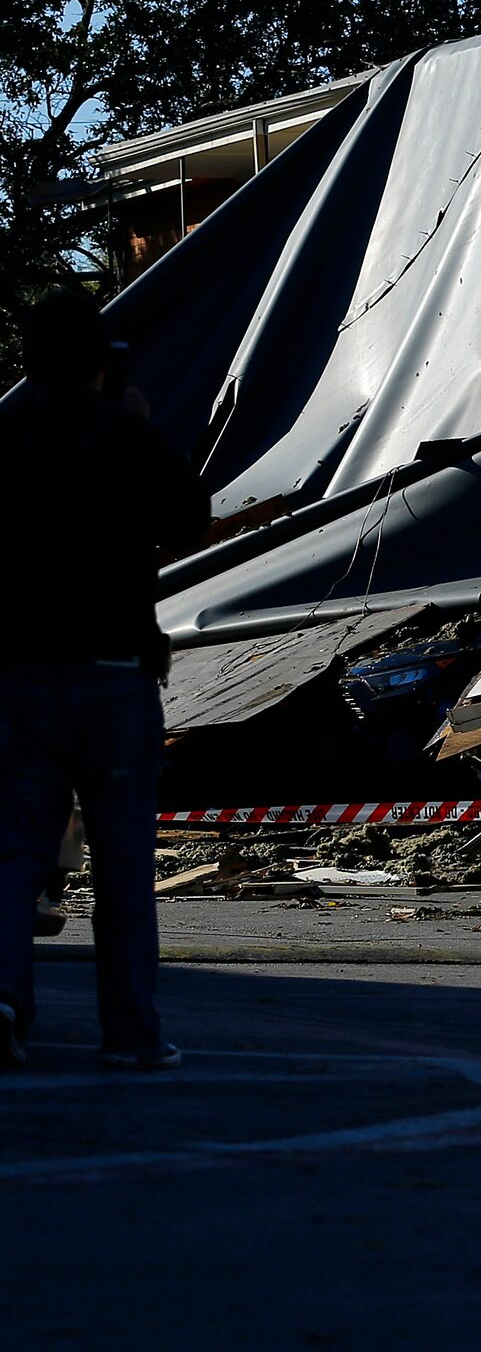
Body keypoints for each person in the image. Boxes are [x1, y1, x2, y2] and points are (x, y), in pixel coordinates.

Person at [0, 289, 209, 1070]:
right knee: (123, 862)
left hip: (18, 676)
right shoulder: (122, 435)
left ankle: (5, 999)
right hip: (113, 674)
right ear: (98, 363)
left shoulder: (6, 432)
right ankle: (129, 1031)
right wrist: (138, 431)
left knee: (15, 853)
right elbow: (190, 516)